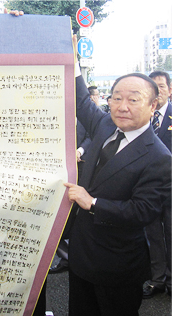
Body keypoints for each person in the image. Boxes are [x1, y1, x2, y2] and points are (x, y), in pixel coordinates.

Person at [64, 36, 171, 315]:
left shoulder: (159, 157)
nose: (123, 106)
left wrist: (93, 203)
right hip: (81, 256)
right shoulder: (103, 124)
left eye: (134, 100)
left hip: (117, 263)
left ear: (152, 105)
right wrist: (69, 54)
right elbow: (79, 98)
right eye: (117, 98)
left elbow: (142, 212)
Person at [143, 70, 172, 298]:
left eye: (162, 86)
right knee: (152, 234)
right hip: (148, 189)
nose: (158, 90)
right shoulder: (143, 117)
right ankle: (157, 279)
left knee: (171, 234)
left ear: (169, 90)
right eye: (153, 86)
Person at [49, 119, 91, 274]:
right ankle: (68, 257)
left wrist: (79, 151)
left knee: (75, 219)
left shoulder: (85, 115)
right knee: (54, 220)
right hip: (55, 173)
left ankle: (73, 258)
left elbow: (90, 136)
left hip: (81, 171)